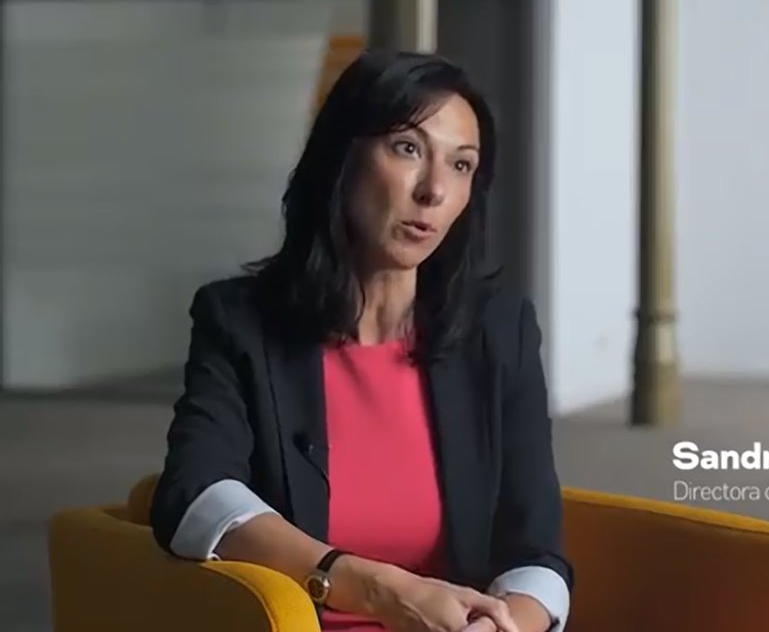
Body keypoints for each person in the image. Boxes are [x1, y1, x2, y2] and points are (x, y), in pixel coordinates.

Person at [149, 49, 572, 632]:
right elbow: (195, 499)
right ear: (342, 157)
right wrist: (376, 588)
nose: (434, 190)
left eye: (461, 165)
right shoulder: (240, 321)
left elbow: (538, 556)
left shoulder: (499, 330)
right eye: (407, 149)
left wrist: (503, 626)